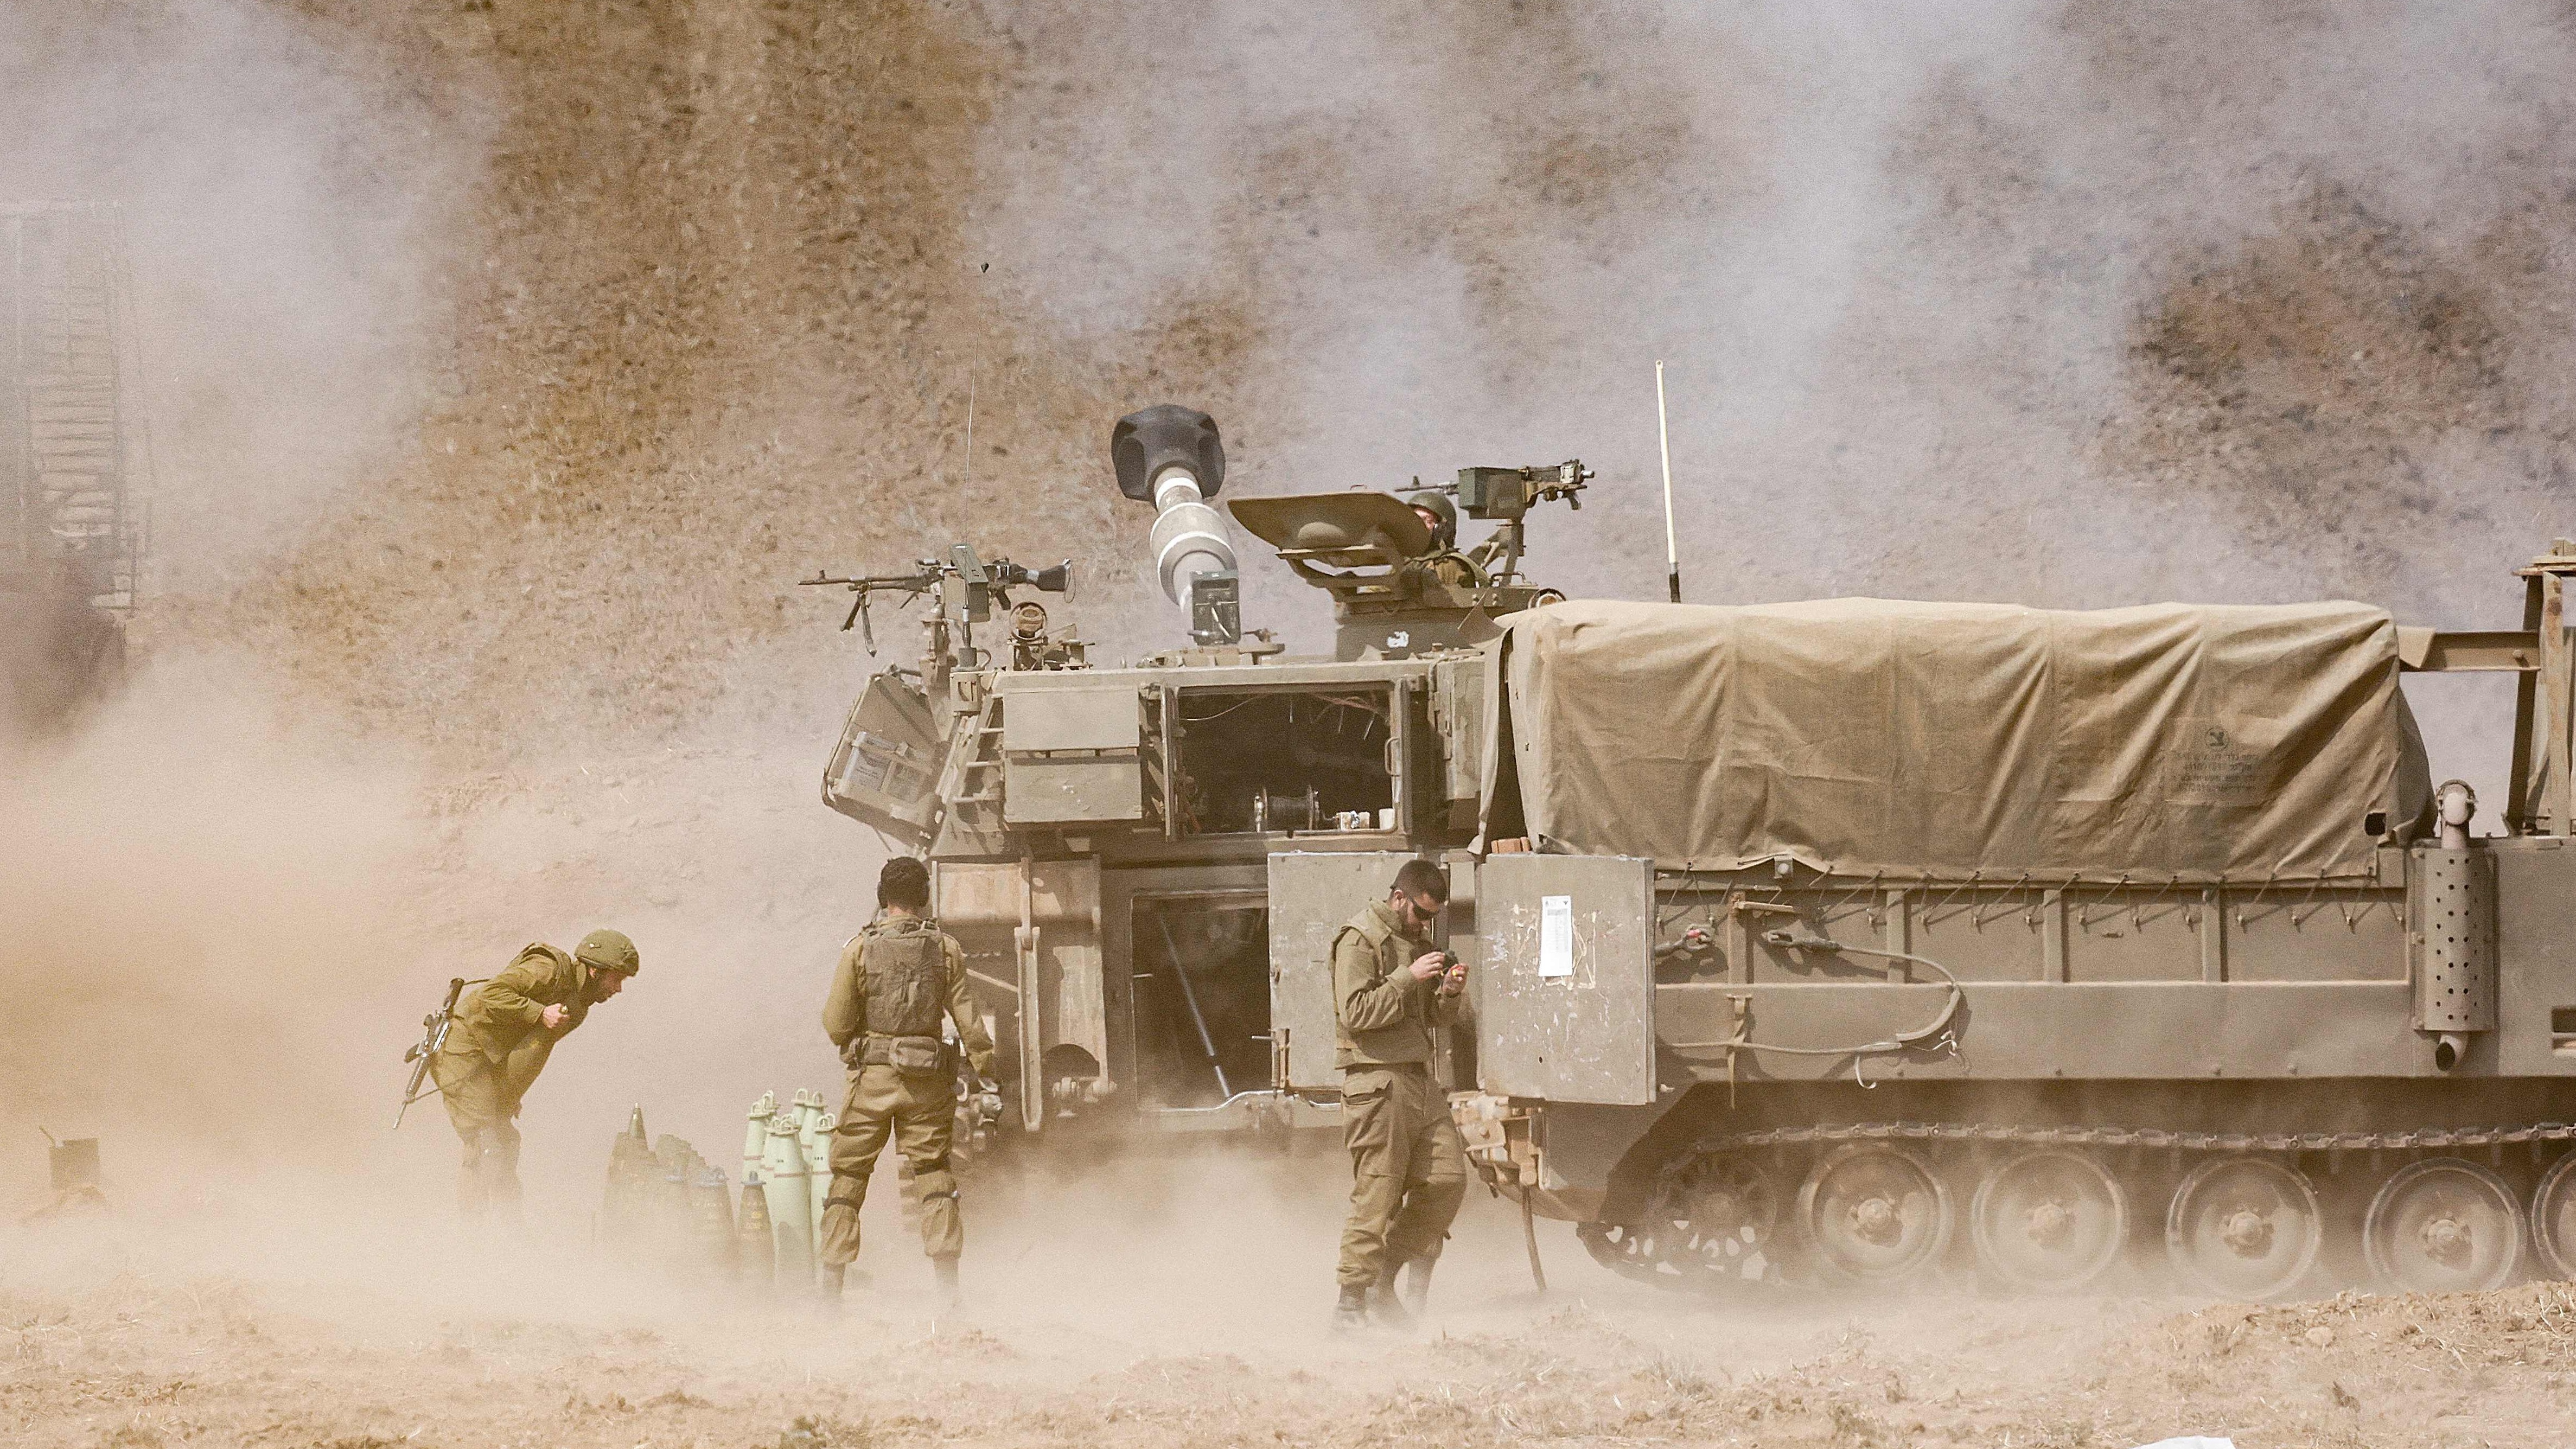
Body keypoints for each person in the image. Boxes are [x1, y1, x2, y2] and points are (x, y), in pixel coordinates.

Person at [820, 856, 998, 1305]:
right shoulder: (945, 949)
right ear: (923, 897)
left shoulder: (859, 948)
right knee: (933, 1174)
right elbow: (970, 1023)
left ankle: (831, 1291)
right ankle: (947, 1294)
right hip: (927, 1085)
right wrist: (988, 1072)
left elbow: (837, 1024)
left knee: (849, 1176)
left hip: (873, 1081)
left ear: (884, 899)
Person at [1330, 858, 1470, 1330]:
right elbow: (1356, 1013)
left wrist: (1447, 992)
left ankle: (1383, 1278)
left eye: (1431, 918)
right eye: (1420, 914)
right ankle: (1350, 1307)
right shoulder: (1360, 939)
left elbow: (1430, 1018)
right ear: (1399, 898)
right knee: (1378, 1194)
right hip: (1376, 1081)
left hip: (1418, 1081)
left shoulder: (1416, 944)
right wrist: (1408, 976)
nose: (1425, 924)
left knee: (1448, 1178)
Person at [430, 928, 640, 1219]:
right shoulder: (549, 969)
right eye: (616, 978)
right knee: (485, 1142)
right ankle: (473, 1235)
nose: (618, 988)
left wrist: (509, 1095)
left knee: (505, 1142)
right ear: (595, 970)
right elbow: (491, 994)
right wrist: (539, 1012)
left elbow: (530, 1050)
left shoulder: (577, 1008)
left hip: (491, 1060)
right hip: (462, 1051)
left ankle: (510, 1228)